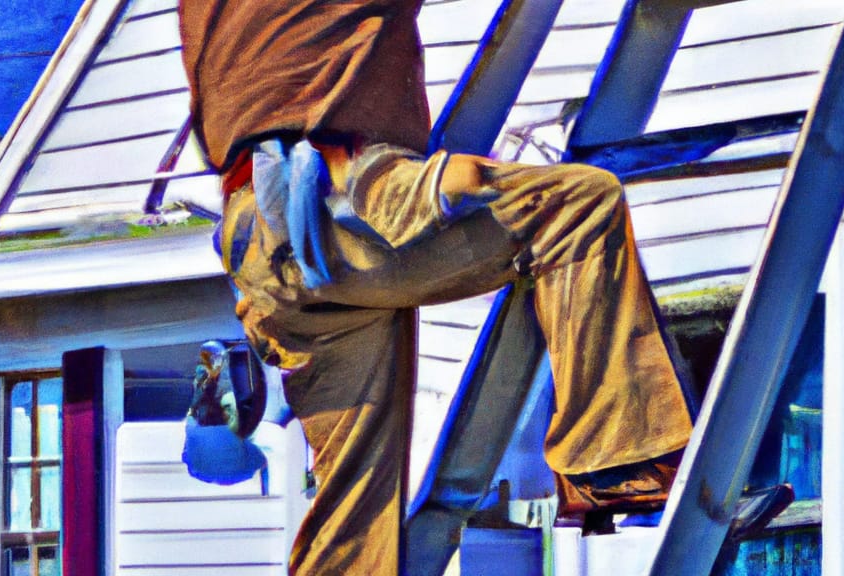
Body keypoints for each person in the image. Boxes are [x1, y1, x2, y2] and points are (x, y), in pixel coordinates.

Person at [177, 2, 785, 574]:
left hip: (256, 238)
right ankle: (619, 461)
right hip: (345, 192)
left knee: (352, 503)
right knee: (578, 207)